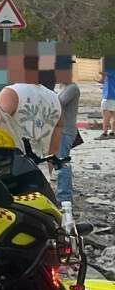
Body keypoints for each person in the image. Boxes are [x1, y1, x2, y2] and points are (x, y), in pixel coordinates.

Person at [56, 82, 80, 211]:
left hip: (65, 131)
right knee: (59, 162)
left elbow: (57, 103)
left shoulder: (72, 88)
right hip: (62, 130)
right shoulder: (63, 87)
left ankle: (64, 197)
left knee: (62, 163)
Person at [100, 67, 115, 140]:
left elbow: (101, 71)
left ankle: (105, 133)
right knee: (113, 116)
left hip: (108, 96)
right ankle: (112, 132)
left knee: (105, 116)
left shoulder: (110, 69)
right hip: (113, 96)